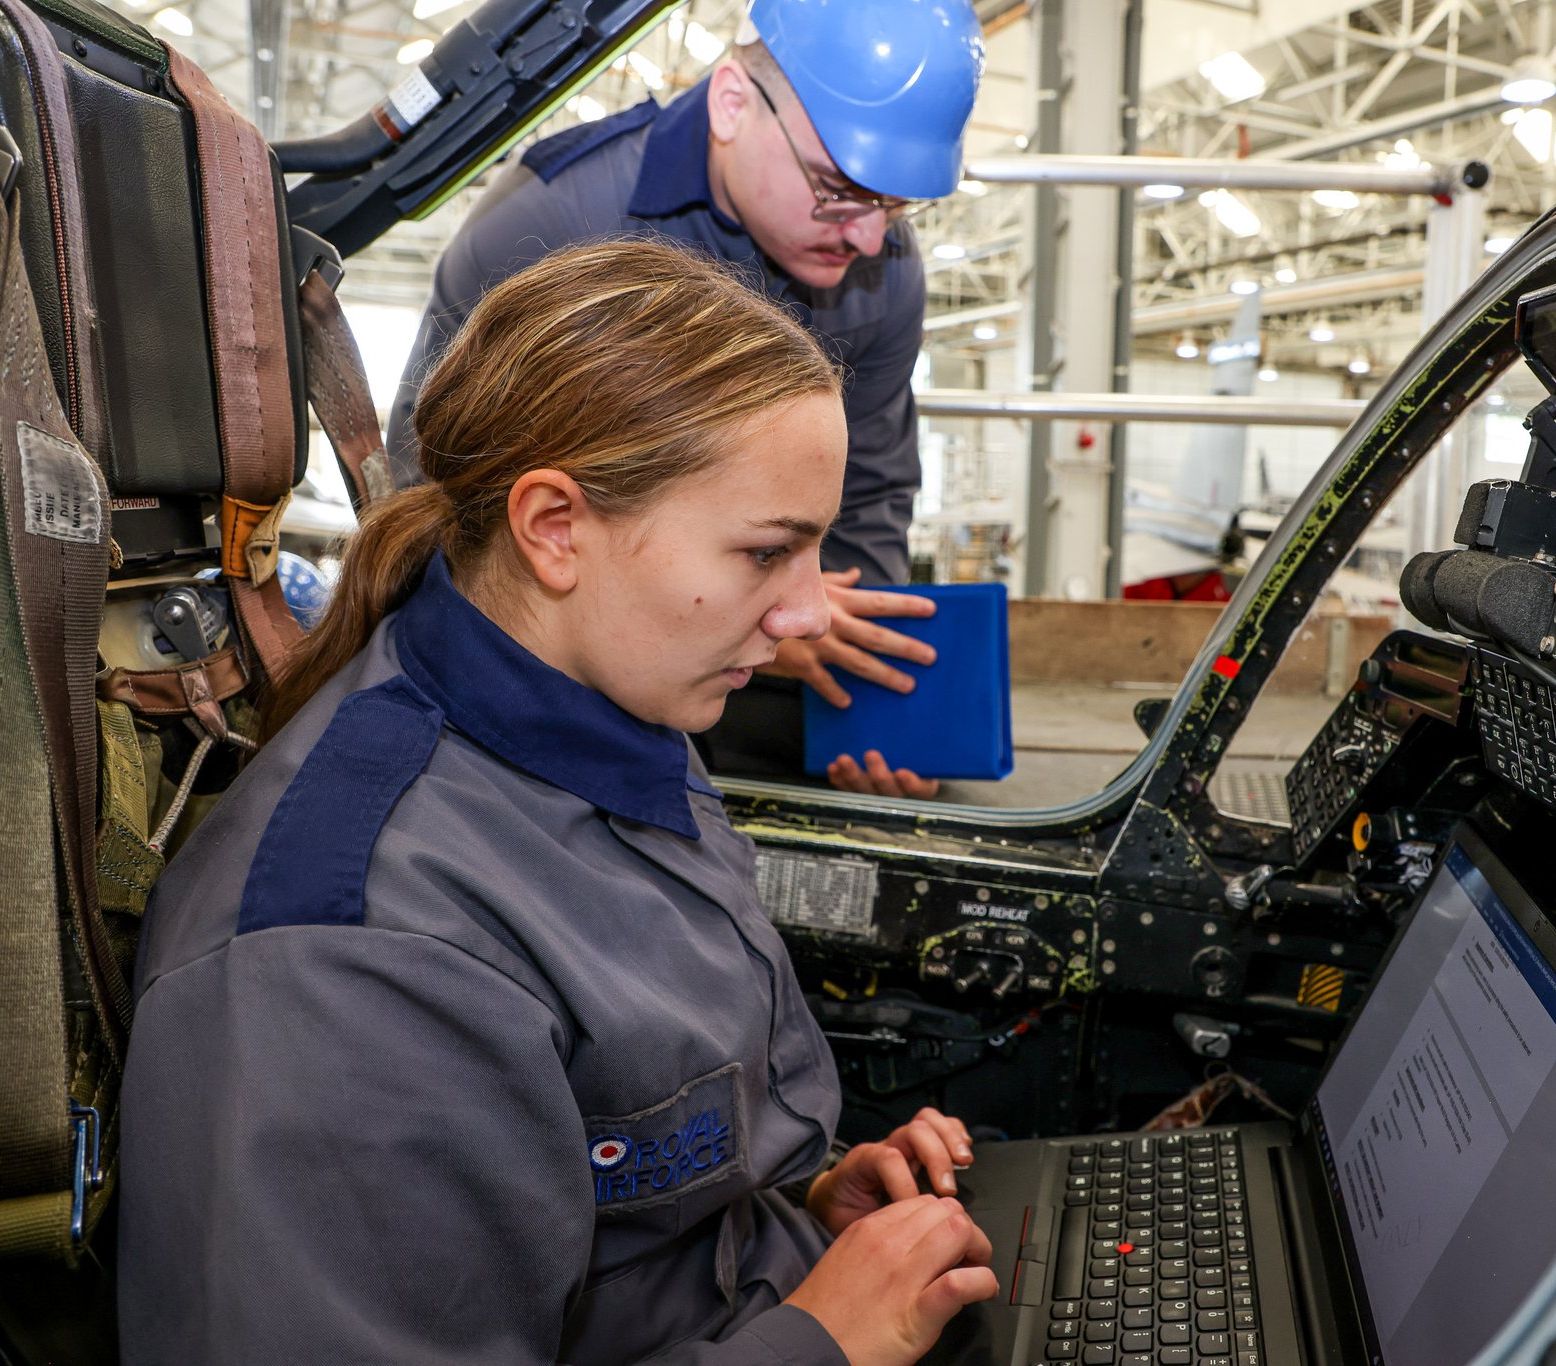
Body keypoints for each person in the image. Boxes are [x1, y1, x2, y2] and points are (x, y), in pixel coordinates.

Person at [118, 240, 997, 1364]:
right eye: (766, 551)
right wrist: (823, 1339)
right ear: (552, 527)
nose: (804, 613)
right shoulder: (352, 954)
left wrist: (803, 1204)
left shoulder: (625, 713)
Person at [386, 0, 986, 800]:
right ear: (733, 102)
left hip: (734, 632)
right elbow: (436, 494)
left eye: (895, 208)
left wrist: (867, 696)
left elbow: (872, 487)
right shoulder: (553, 226)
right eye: (840, 190)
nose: (870, 241)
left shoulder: (882, 269)